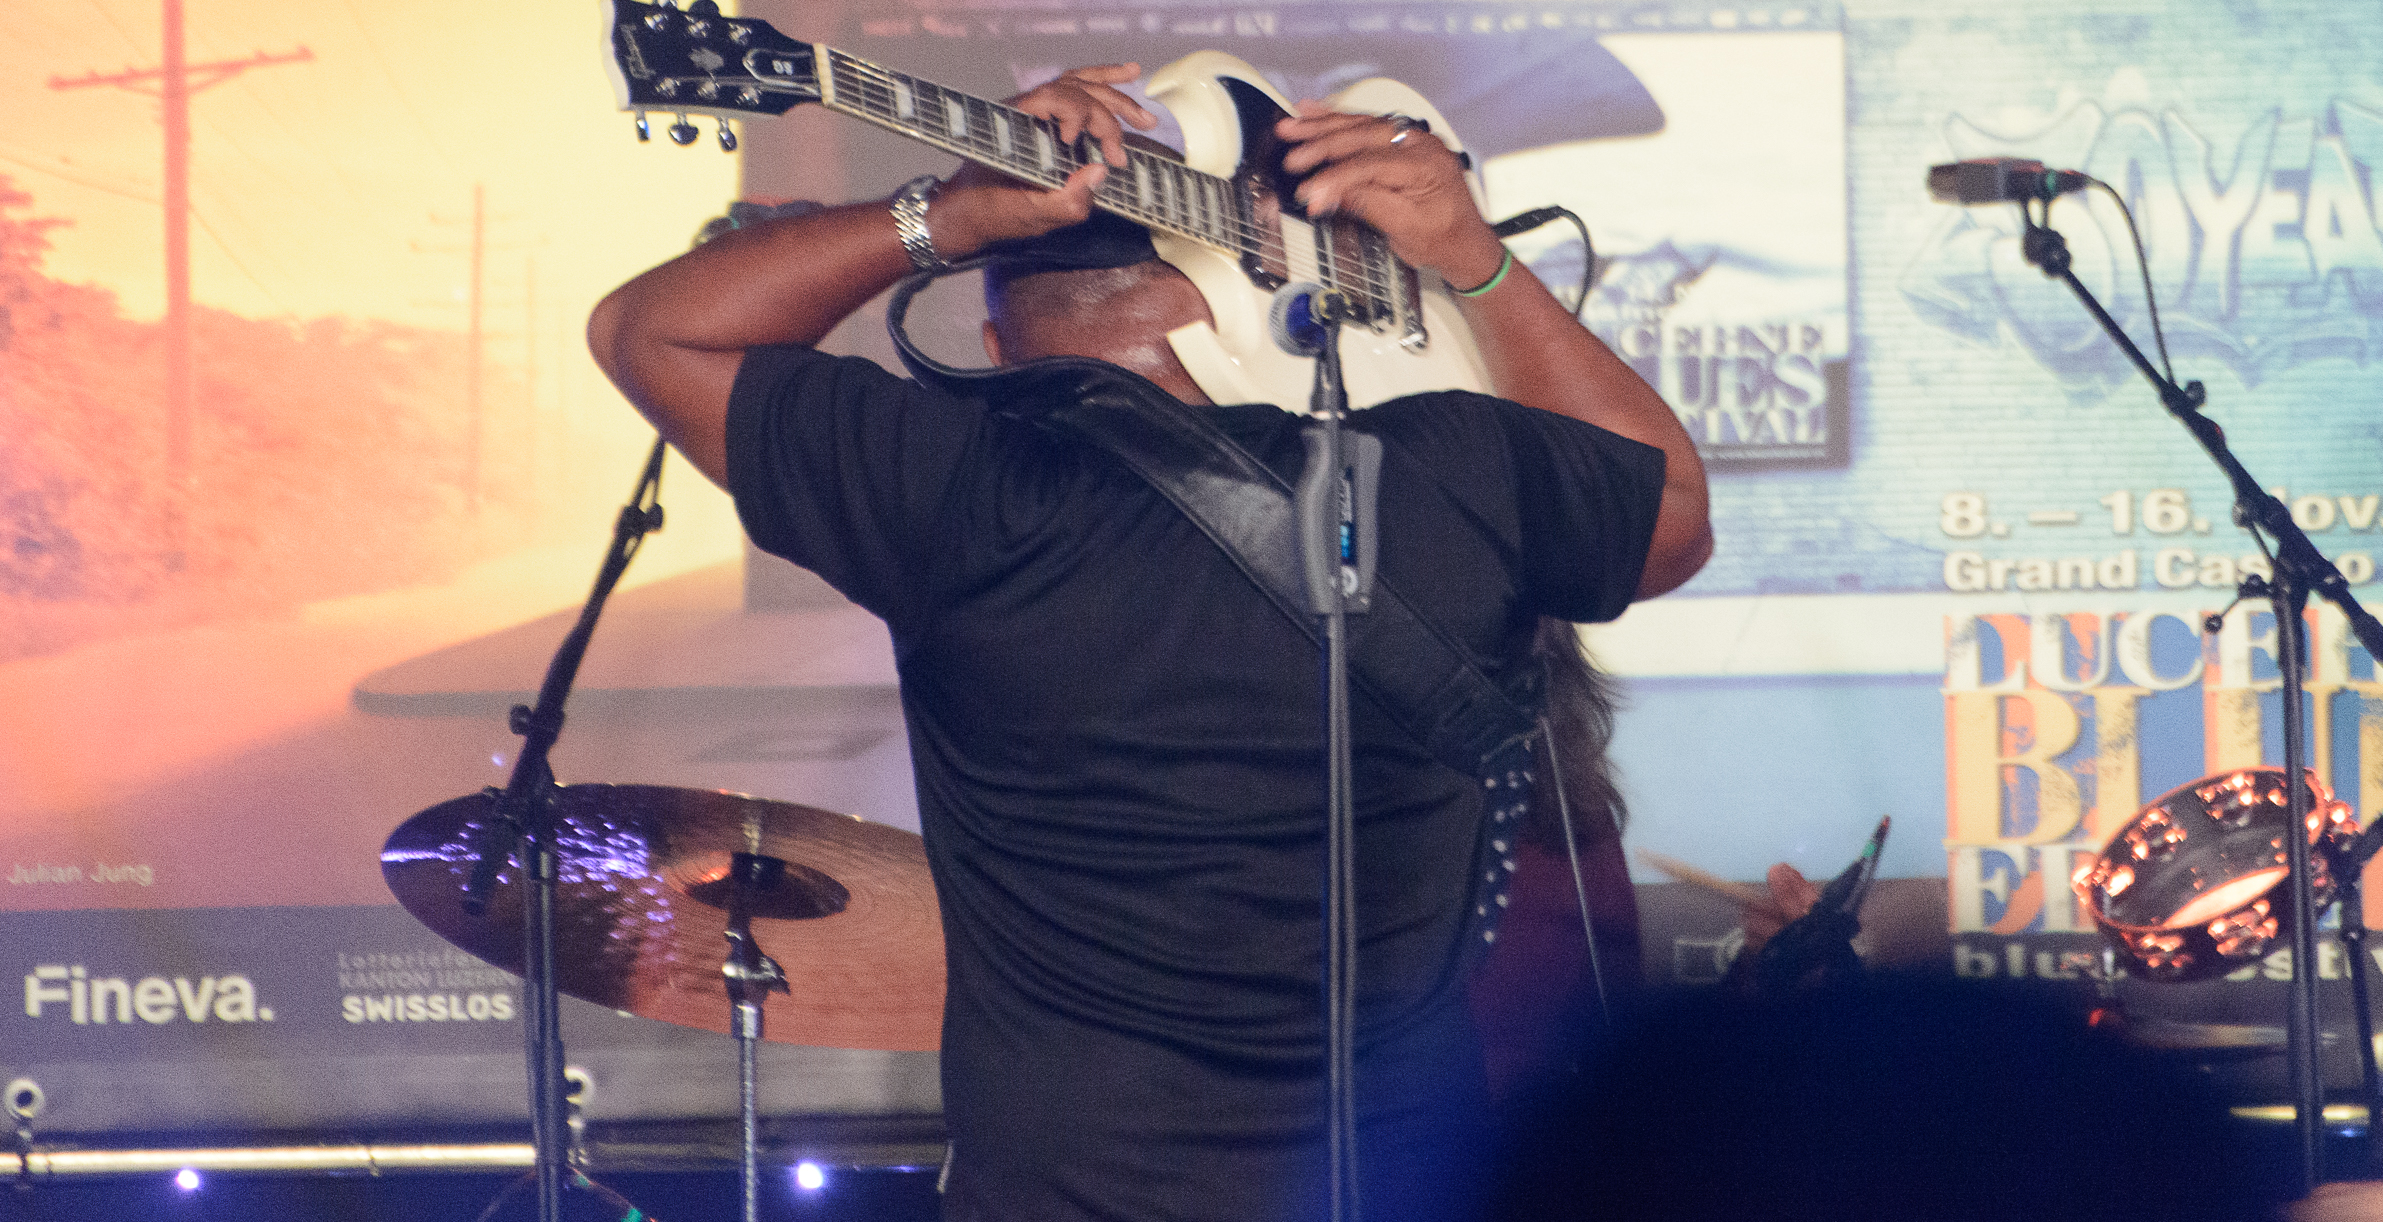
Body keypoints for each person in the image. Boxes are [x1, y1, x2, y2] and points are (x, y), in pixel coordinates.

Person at [587, 63, 1711, 1222]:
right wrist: (1475, 260)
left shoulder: (955, 493)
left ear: (996, 339)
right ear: (1243, 302)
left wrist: (946, 216)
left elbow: (650, 330)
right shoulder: (1447, 473)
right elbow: (1671, 507)